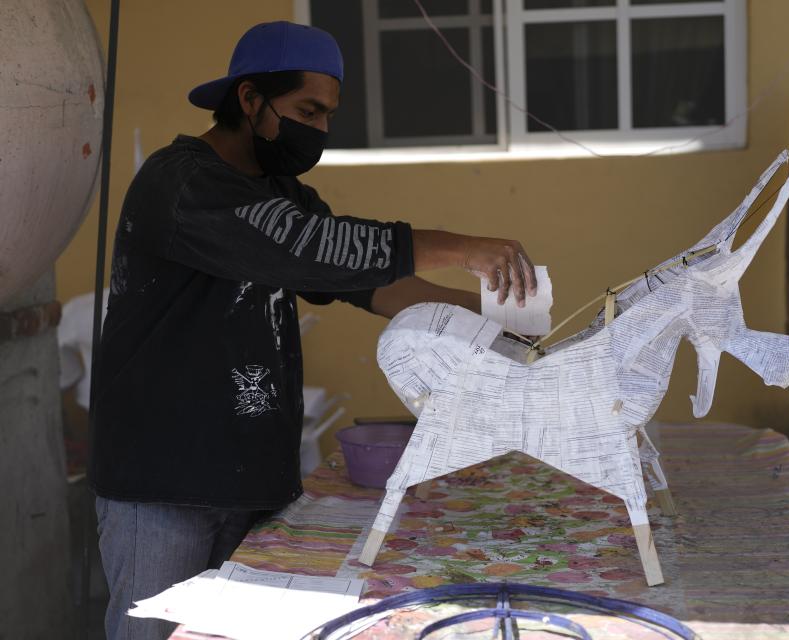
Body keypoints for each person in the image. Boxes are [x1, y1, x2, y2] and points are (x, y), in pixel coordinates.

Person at [90, 21, 537, 640]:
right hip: (165, 483)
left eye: (328, 114)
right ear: (249, 99)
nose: (320, 130)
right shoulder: (181, 183)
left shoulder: (282, 193)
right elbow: (316, 247)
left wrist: (504, 321)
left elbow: (370, 282)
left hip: (252, 472)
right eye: (308, 110)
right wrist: (465, 248)